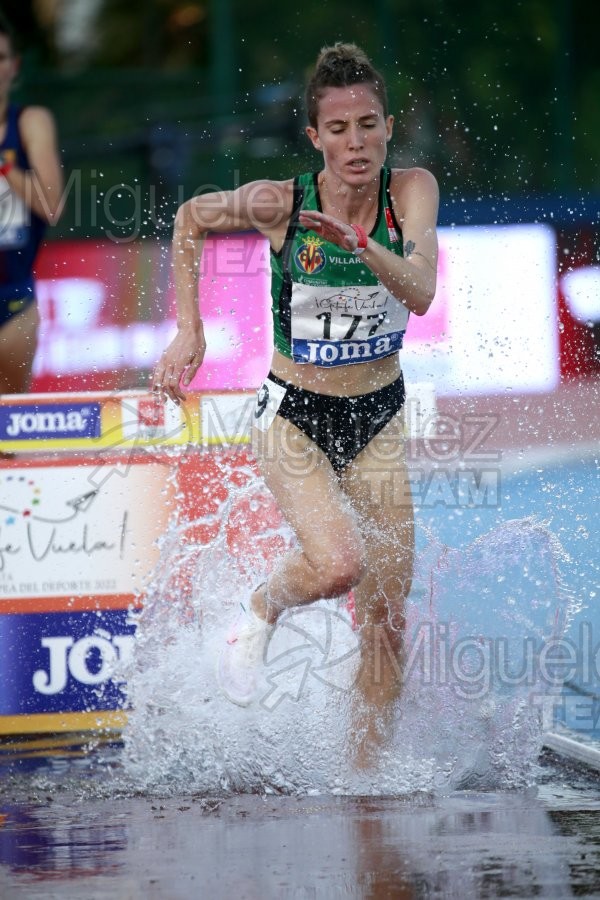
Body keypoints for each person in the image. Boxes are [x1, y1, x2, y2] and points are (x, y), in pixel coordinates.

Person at [152, 42, 439, 766]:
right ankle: (262, 607)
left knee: (383, 619)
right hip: (294, 419)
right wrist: (189, 332)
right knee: (339, 563)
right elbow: (188, 217)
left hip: (378, 416)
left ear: (388, 127)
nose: (356, 143)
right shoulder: (283, 203)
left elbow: (421, 291)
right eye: (339, 130)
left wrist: (362, 245)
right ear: (315, 138)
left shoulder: (412, 193)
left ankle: (363, 778)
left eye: (368, 126)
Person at [0, 18, 63, 395]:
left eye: (1, 57)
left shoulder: (30, 122)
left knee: (7, 439)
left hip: (14, 299)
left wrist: (5, 165)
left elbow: (51, 207)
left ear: (14, 66)